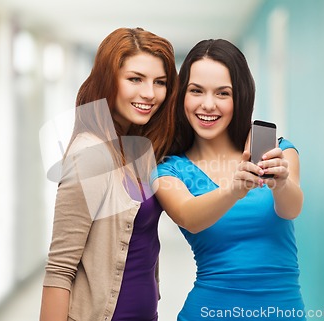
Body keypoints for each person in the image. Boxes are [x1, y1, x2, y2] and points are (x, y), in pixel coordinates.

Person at [153, 39, 305, 320]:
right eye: (196, 91)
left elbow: (291, 209)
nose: (208, 105)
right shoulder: (169, 169)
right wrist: (233, 190)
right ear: (181, 96)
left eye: (223, 93)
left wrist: (281, 183)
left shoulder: (280, 152)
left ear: (241, 97)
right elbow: (190, 217)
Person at [39, 27, 177, 321]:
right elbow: (60, 268)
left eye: (160, 82)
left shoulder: (137, 147)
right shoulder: (91, 154)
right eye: (135, 79)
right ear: (108, 80)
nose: (149, 93)